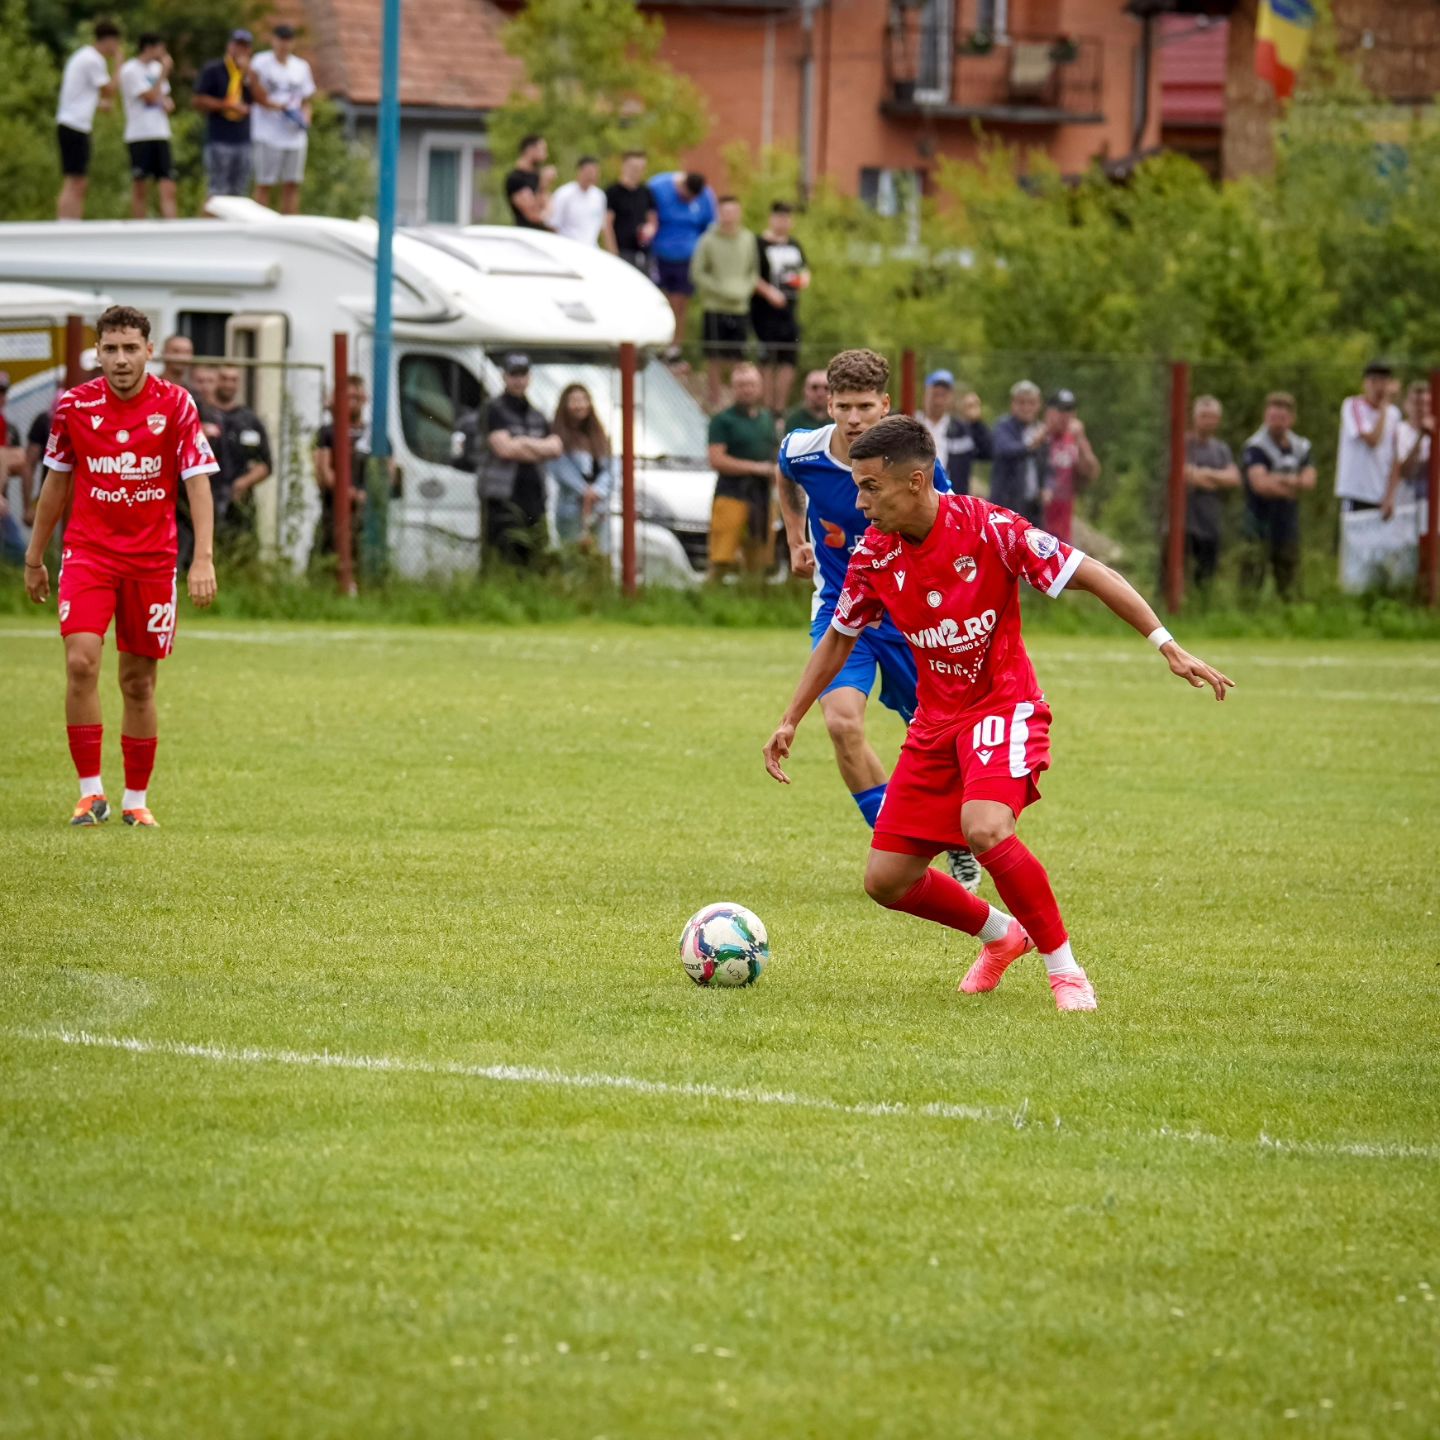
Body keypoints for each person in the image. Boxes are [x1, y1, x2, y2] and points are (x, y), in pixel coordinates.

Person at [763, 415, 1233, 1012]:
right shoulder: (874, 555)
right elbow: (838, 638)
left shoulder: (991, 530)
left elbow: (1092, 573)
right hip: (936, 723)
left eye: (869, 488)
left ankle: (1066, 971)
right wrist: (791, 717)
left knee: (984, 828)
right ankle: (1000, 935)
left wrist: (1166, 643)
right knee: (885, 880)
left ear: (915, 481)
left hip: (1003, 705)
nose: (859, 502)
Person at [776, 348, 978, 894]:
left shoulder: (916, 467)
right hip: (843, 612)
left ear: (885, 404)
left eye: (865, 405)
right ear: (830, 403)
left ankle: (957, 839)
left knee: (936, 740)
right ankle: (900, 844)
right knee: (842, 723)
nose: (853, 418)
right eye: (843, 405)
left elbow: (950, 531)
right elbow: (785, 475)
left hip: (911, 618)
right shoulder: (804, 450)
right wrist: (796, 539)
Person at [23, 304, 219, 828]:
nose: (120, 359)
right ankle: (91, 795)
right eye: (110, 349)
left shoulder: (176, 405)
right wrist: (34, 556)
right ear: (98, 353)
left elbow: (197, 481)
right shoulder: (73, 407)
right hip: (88, 554)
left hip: (153, 561)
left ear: (149, 352)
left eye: (131, 348)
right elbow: (57, 482)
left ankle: (136, 799)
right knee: (81, 661)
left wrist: (202, 557)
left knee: (138, 682)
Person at [691, 196, 772, 410]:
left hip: (739, 307)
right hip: (715, 306)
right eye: (724, 211)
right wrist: (719, 290)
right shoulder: (708, 240)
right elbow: (697, 272)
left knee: (740, 357)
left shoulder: (747, 239)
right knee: (714, 356)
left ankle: (742, 400)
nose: (728, 216)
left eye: (732, 211)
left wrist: (743, 290)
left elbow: (753, 272)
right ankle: (714, 400)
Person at [480, 354, 562, 566]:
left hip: (535, 496)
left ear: (529, 377)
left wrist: (521, 443)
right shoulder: (493, 409)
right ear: (504, 377)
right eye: (513, 375)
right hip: (503, 497)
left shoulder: (538, 414)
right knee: (504, 555)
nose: (518, 380)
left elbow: (555, 448)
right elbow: (504, 450)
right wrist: (538, 448)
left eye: (522, 374)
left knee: (535, 554)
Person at [1241, 392, 1315, 599]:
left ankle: (1289, 616)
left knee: (1289, 574)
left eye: (1282, 418)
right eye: (1272, 417)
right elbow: (1260, 485)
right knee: (1253, 571)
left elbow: (1310, 481)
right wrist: (1293, 483)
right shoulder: (1256, 446)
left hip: (1287, 522)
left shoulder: (1300, 446)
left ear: (1292, 419)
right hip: (1258, 521)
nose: (1276, 423)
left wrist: (1277, 479)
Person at [706, 362, 775, 578]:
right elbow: (716, 459)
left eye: (751, 384)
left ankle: (752, 603)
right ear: (733, 388)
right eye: (741, 385)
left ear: (760, 387)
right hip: (731, 492)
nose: (747, 389)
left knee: (759, 558)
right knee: (721, 558)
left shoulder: (767, 419)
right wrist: (756, 468)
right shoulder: (722, 420)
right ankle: (709, 601)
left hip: (761, 494)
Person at [55, 20, 122, 221]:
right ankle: (66, 225)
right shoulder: (93, 60)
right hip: (75, 125)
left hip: (71, 123)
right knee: (76, 181)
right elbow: (109, 90)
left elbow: (80, 94)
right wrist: (119, 63)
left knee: (76, 180)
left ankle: (69, 223)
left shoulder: (82, 56)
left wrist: (98, 105)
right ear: (109, 41)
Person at [648, 170, 717, 358]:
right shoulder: (658, 186)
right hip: (659, 254)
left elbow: (709, 226)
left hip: (687, 257)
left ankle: (674, 348)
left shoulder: (705, 196)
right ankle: (655, 342)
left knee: (680, 303)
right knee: (659, 300)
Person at [249, 24, 316, 215]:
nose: (284, 45)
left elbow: (307, 99)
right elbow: (256, 94)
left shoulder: (301, 67)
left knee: (292, 183)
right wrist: (280, 107)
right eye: (280, 40)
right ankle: (259, 223)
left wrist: (305, 117)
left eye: (288, 41)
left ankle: (289, 222)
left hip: (294, 135)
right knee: (265, 182)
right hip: (268, 133)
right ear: (273, 40)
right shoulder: (260, 62)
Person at [751, 202, 810, 413]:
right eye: (779, 217)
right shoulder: (758, 244)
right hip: (765, 311)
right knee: (766, 359)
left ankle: (779, 407)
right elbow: (751, 274)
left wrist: (803, 280)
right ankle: (765, 406)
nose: (783, 222)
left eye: (787, 218)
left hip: (789, 311)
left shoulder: (794, 244)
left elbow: (804, 270)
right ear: (771, 218)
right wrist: (768, 292)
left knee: (789, 358)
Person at [1183, 395, 1240, 593]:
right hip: (1184, 521)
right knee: (1179, 570)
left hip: (1210, 521)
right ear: (1194, 417)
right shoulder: (1184, 444)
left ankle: (1203, 605)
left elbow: (1233, 478)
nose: (1208, 421)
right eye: (1204, 416)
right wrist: (1216, 478)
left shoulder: (1221, 449)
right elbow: (1182, 474)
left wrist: (1203, 474)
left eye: (1212, 417)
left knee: (1206, 573)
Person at [119, 33, 177, 220]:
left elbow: (163, 97)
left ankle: (173, 230)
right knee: (140, 187)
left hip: (160, 132)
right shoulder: (130, 70)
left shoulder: (156, 68)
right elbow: (151, 97)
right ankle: (138, 228)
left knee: (168, 186)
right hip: (140, 135)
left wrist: (167, 102)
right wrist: (164, 73)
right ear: (149, 47)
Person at [194, 30, 256, 202]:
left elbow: (259, 100)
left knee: (240, 192)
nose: (240, 50)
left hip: (243, 139)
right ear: (230, 46)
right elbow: (198, 100)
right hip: (219, 138)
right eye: (237, 45)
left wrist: (249, 75)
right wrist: (226, 105)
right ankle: (210, 227)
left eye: (245, 47)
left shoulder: (250, 74)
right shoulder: (214, 70)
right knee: (217, 191)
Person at [313, 373, 368, 564]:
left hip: (367, 514)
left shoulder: (373, 434)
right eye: (348, 397)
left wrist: (371, 494)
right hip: (334, 510)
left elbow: (389, 469)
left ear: (365, 399)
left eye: (357, 397)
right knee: (328, 559)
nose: (353, 402)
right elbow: (324, 471)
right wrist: (350, 493)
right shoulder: (327, 432)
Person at [549, 384, 613, 547]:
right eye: (574, 400)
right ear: (565, 404)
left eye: (584, 400)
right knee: (572, 556)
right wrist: (584, 491)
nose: (580, 405)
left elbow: (611, 469)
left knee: (599, 555)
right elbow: (560, 469)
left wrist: (598, 490)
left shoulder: (599, 437)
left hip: (599, 510)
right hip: (571, 508)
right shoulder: (556, 436)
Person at [1334, 360, 1401, 515]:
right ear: (1366, 383)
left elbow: (1396, 458)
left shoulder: (1394, 414)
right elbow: (1372, 440)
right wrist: (1384, 405)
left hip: (1381, 495)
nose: (1379, 387)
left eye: (1384, 381)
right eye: (1374, 381)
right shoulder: (1352, 405)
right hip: (1356, 492)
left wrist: (1390, 496)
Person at [916, 370, 991, 496]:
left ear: (951, 397)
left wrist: (977, 423)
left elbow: (988, 452)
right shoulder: (911, 422)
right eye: (935, 394)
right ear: (925, 394)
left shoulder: (962, 430)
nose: (938, 401)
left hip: (951, 502)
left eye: (943, 395)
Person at [1039, 389, 1099, 544]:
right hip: (1036, 519)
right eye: (1060, 410)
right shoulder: (1039, 437)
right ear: (1049, 412)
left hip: (1063, 526)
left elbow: (1092, 473)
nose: (1065, 416)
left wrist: (1081, 440)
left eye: (1070, 411)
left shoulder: (1074, 441)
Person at [989, 380, 1047, 521]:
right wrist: (1030, 445)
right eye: (1021, 402)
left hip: (1034, 507)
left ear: (1038, 405)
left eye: (1031, 403)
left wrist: (1047, 487)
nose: (1026, 407)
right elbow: (1005, 449)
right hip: (1007, 506)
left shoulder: (1041, 429)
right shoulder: (1003, 426)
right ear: (1013, 404)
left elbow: (1049, 465)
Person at [1383, 380, 1432, 519]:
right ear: (1406, 405)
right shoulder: (1399, 431)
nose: (1421, 409)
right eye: (1416, 403)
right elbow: (1405, 470)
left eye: (1426, 404)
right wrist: (1422, 435)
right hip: (1405, 508)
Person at [602, 151, 657, 270]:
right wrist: (613, 252)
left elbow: (652, 219)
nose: (637, 171)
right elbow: (607, 224)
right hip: (622, 251)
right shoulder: (613, 192)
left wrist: (649, 229)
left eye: (641, 168)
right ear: (624, 166)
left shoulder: (646, 192)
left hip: (642, 252)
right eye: (634, 167)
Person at [550, 157, 607, 247]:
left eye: (595, 172)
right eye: (589, 172)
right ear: (580, 171)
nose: (592, 176)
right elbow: (553, 225)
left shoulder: (599, 196)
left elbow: (602, 225)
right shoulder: (564, 193)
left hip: (591, 248)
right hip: (568, 247)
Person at [505, 135, 552, 230]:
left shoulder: (537, 176)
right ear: (530, 150)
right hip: (525, 234)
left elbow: (550, 209)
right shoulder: (516, 178)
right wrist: (543, 185)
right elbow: (533, 215)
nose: (546, 154)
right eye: (542, 150)